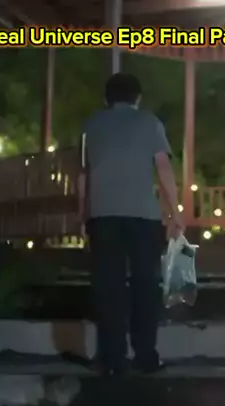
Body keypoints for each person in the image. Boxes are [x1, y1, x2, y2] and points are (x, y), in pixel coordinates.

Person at [78, 73, 185, 376]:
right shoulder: (150, 122)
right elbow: (163, 167)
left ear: (106, 98)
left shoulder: (91, 125)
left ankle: (112, 358)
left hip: (103, 214)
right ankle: (145, 355)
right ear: (137, 97)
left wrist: (81, 213)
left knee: (108, 287)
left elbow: (83, 174)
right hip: (143, 215)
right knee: (145, 285)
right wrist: (175, 211)